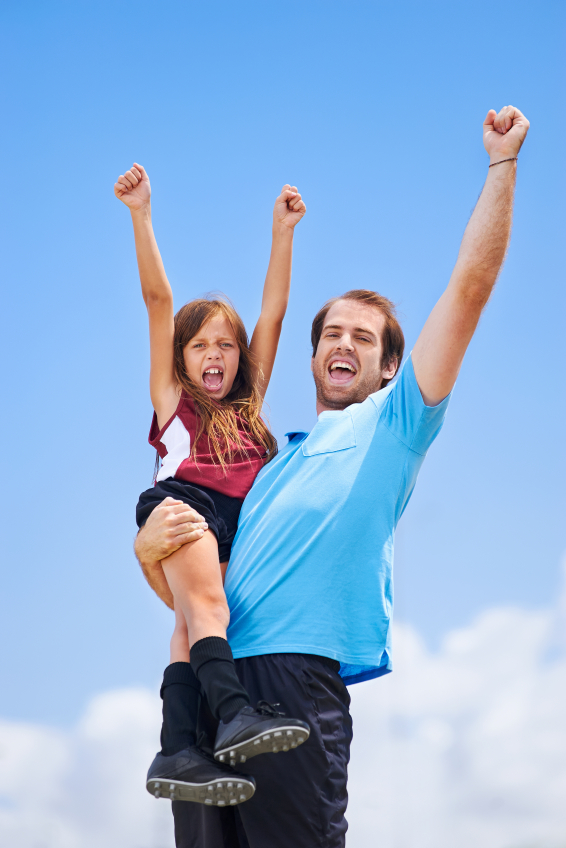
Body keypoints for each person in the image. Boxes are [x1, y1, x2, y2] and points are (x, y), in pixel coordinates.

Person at [135, 105, 530, 847]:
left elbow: (470, 287)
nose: (342, 343)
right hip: (215, 697)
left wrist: (501, 166)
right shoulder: (264, 464)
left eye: (363, 336)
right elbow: (195, 595)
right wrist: (146, 550)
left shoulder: (394, 426)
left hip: (290, 688)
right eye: (332, 334)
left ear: (387, 367)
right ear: (313, 359)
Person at [114, 164, 309, 808]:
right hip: (184, 504)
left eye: (226, 344)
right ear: (182, 358)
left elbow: (275, 316)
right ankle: (232, 717)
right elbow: (158, 303)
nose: (216, 354)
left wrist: (282, 233)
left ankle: (177, 749)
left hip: (236, 520)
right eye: (201, 345)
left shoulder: (250, 409)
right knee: (208, 611)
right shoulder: (173, 401)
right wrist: (142, 214)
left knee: (189, 624)